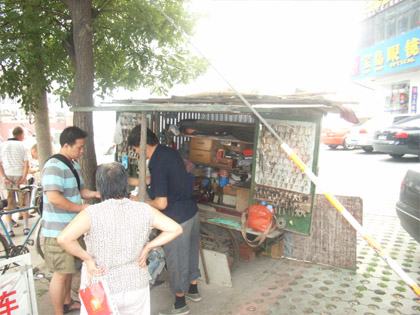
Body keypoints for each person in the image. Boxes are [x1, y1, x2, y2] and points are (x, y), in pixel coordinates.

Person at [57, 162, 183, 314]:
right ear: (125, 184)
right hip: (135, 285)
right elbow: (175, 229)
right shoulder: (144, 209)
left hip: (100, 286)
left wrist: (88, 259)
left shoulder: (92, 213)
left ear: (100, 186)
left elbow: (64, 239)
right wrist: (148, 247)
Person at [128, 125, 201, 315]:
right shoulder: (169, 153)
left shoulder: (156, 162)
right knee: (192, 255)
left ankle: (180, 304)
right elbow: (158, 180)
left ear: (142, 145)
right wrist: (132, 181)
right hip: (192, 212)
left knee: (177, 261)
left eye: (136, 149)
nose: (136, 153)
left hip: (177, 219)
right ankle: (193, 290)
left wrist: (140, 201)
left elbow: (161, 203)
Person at [42, 126, 100, 315]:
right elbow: (54, 198)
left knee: (68, 270)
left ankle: (67, 302)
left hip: (71, 229)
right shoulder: (53, 166)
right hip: (57, 231)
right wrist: (82, 208)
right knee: (60, 274)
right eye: (79, 148)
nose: (82, 152)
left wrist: (95, 194)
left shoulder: (72, 164)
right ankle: (59, 311)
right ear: (66, 145)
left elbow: (80, 191)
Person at [0, 126, 30, 237]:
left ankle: (9, 229)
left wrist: (4, 177)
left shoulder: (2, 145)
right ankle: (26, 228)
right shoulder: (22, 145)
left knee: (9, 204)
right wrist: (23, 179)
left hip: (7, 176)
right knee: (25, 202)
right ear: (20, 134)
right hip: (19, 175)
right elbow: (26, 165)